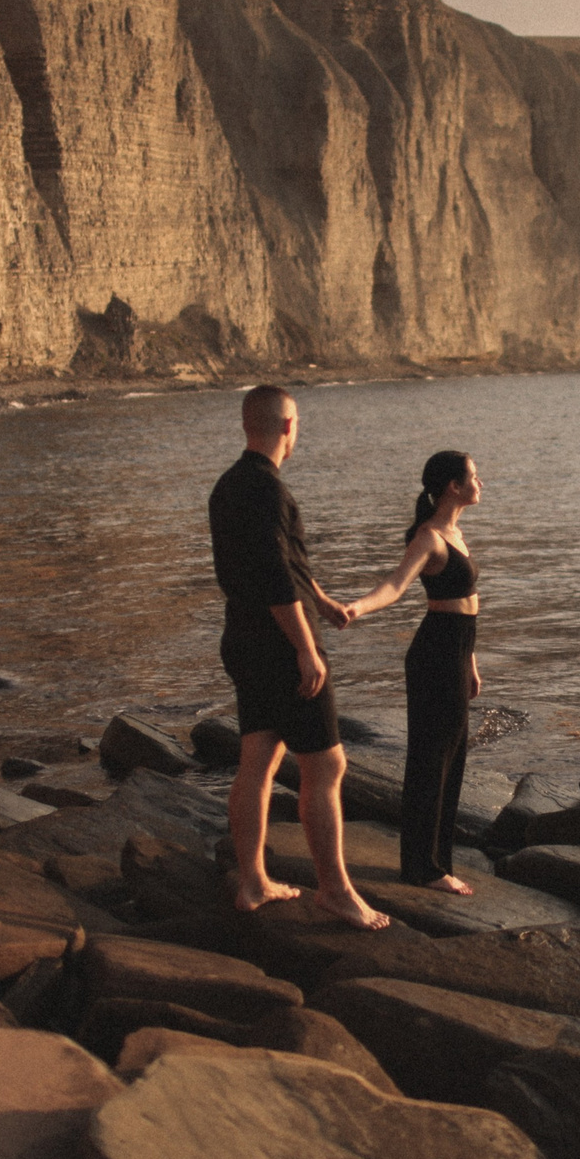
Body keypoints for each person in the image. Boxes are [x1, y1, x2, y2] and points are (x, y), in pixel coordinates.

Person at [206, 385, 388, 929]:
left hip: (241, 638)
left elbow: (282, 561)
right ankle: (335, 891)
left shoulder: (229, 485)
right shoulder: (268, 490)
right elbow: (273, 576)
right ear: (288, 426)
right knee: (326, 764)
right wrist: (306, 648)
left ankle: (254, 881)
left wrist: (324, 600)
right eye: (298, 423)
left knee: (258, 758)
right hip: (279, 645)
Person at [344, 449, 483, 893]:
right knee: (430, 761)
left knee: (452, 759)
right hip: (435, 653)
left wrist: (472, 664)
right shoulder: (429, 538)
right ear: (453, 487)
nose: (481, 483)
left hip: (456, 653)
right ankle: (422, 868)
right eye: (474, 476)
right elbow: (395, 585)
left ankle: (437, 862)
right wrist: (358, 607)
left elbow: (468, 605)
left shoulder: (456, 533)